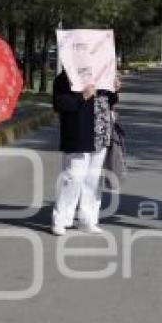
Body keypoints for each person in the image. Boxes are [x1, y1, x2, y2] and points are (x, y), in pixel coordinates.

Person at [51, 70, 119, 236]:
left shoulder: (102, 73)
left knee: (93, 179)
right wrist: (83, 96)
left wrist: (115, 89)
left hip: (101, 131)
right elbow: (60, 104)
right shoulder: (66, 77)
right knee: (73, 176)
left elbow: (108, 101)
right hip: (78, 133)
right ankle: (61, 219)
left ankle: (87, 219)